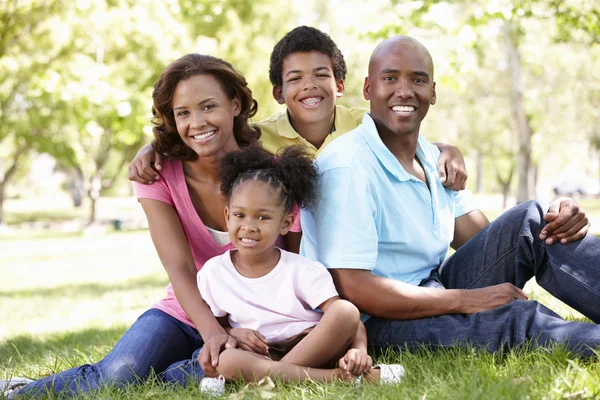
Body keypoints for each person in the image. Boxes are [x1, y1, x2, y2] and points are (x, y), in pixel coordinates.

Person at [301, 35, 600, 357]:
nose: (404, 90)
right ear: (368, 89)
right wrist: (468, 300)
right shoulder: (347, 167)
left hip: (431, 288)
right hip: (371, 322)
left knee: (536, 220)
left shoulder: (432, 159)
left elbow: (493, 241)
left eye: (417, 79)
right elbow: (352, 287)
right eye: (390, 78)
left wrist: (558, 216)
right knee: (514, 321)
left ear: (432, 91)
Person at [6, 54, 286, 398]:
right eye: (183, 113)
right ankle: (21, 392)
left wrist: (246, 330)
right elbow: (180, 269)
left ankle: (191, 364)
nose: (197, 122)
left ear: (235, 104)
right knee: (118, 376)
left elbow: (294, 267)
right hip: (185, 310)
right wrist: (214, 332)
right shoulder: (157, 174)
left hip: (254, 320)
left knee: (186, 377)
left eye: (208, 106)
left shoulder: (273, 174)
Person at [128, 26, 468, 191]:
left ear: (339, 85)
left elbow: (404, 142)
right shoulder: (259, 137)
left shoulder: (363, 124)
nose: (309, 86)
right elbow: (213, 139)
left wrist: (446, 148)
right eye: (295, 79)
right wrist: (153, 147)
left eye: (321, 75)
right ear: (278, 92)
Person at [197, 144, 404, 394]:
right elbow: (218, 327)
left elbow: (351, 322)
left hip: (310, 346)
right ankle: (335, 378)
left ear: (286, 224)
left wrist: (358, 351)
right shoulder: (213, 273)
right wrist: (235, 333)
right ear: (227, 216)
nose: (249, 226)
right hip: (260, 354)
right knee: (228, 360)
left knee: (345, 310)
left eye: (263, 218)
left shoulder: (301, 270)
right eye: (240, 215)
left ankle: (272, 381)